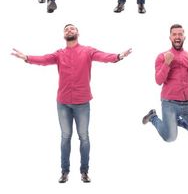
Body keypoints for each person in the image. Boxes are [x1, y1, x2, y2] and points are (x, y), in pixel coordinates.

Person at [10, 24, 131, 183]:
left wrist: (118, 56)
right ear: (63, 35)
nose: (69, 30)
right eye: (66, 29)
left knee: (84, 137)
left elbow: (103, 56)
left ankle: (84, 172)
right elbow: (44, 59)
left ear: (78, 33)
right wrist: (27, 57)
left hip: (82, 102)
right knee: (65, 137)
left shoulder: (87, 51)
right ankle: (65, 172)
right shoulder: (59, 54)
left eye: (72, 28)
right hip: (63, 103)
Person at [142, 24, 188, 143]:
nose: (177, 37)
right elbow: (158, 81)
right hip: (169, 102)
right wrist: (167, 63)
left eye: (180, 34)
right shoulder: (162, 56)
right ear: (170, 37)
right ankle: (153, 117)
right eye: (174, 34)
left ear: (184, 37)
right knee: (170, 138)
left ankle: (176, 121)